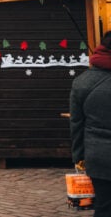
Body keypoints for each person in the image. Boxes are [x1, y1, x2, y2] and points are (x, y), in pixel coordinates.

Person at [70, 31, 111, 215]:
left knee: (103, 206)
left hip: (98, 157)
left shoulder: (81, 82)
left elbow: (76, 124)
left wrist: (78, 157)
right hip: (99, 155)